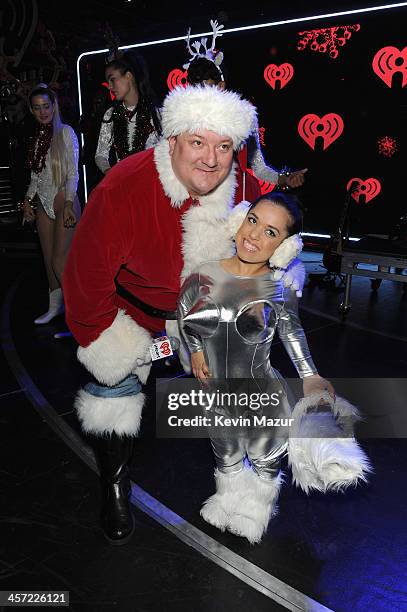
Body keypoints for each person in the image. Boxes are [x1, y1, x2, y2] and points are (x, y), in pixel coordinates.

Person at [178, 194, 369, 544]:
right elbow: (186, 314)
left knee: (264, 459)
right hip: (215, 396)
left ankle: (255, 511)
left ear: (285, 246)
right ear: (239, 220)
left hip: (261, 399)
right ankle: (226, 499)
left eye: (270, 232)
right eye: (252, 221)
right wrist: (194, 351)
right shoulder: (203, 274)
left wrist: (309, 374)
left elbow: (292, 332)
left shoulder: (278, 288)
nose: (254, 235)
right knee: (225, 453)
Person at [184, 20, 308, 202]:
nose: (200, 94)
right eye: (195, 88)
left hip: (233, 199)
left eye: (206, 87)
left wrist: (285, 179)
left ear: (221, 86)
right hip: (195, 200)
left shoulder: (244, 118)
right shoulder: (184, 120)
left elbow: (258, 167)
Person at [21, 83, 81, 324]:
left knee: (59, 260)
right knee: (48, 263)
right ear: (32, 111)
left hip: (63, 199)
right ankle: (55, 308)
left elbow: (73, 173)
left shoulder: (66, 132)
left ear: (54, 106)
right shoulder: (37, 139)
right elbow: (36, 176)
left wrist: (68, 203)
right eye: (37, 108)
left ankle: (81, 312)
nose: (43, 111)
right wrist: (26, 200)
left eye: (46, 106)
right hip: (43, 202)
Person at [95, 50, 162, 175]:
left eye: (112, 79)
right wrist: (113, 174)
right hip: (123, 184)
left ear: (128, 76)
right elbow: (100, 155)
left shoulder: (156, 113)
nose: (109, 86)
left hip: (151, 184)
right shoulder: (111, 114)